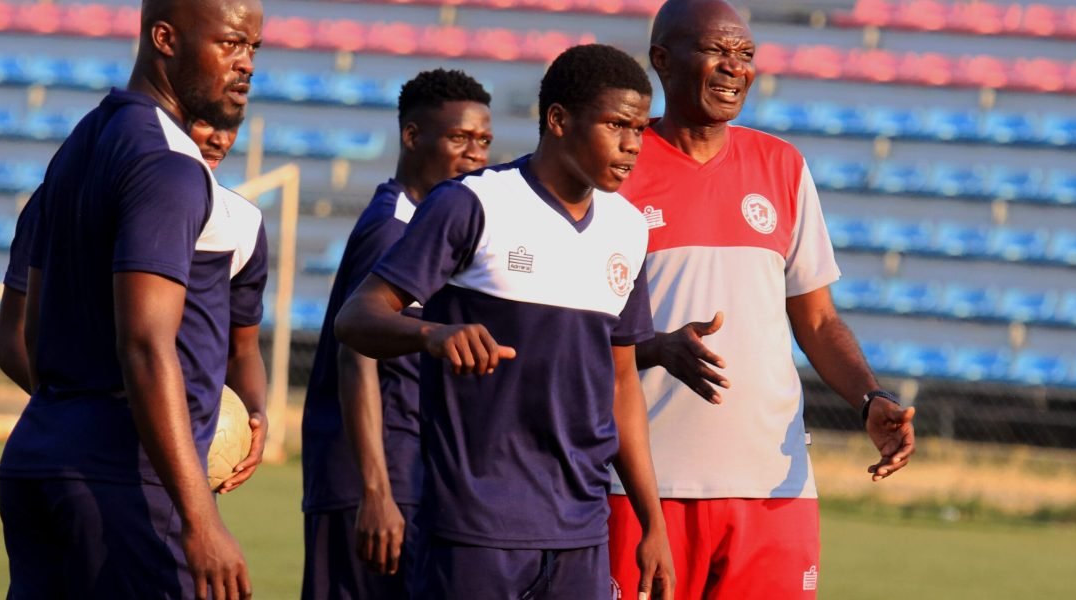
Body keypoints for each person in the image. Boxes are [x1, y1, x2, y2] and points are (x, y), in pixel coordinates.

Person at [335, 44, 675, 600]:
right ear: (558, 120)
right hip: (474, 527)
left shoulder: (629, 230)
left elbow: (621, 382)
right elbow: (357, 317)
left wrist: (651, 522)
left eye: (639, 128)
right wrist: (433, 334)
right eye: (617, 125)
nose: (632, 145)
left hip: (582, 531)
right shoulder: (473, 204)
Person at [605, 2, 918, 598]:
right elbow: (573, 329)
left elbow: (818, 319)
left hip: (775, 489)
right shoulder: (618, 167)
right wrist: (650, 348)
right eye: (716, 51)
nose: (734, 68)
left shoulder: (782, 165)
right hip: (642, 489)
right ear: (662, 60)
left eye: (745, 55)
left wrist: (868, 397)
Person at [0, 0, 264, 597]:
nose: (245, 65)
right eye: (229, 44)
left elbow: (34, 334)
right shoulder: (168, 165)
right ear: (164, 37)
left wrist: (75, 421)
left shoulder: (80, 144)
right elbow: (144, 344)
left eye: (253, 49)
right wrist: (200, 521)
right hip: (126, 480)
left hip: (39, 456)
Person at [0, 119, 269, 496]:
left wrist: (253, 416)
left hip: (177, 477)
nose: (220, 139)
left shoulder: (242, 224)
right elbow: (13, 338)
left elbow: (243, 351)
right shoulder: (66, 197)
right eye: (207, 122)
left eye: (233, 124)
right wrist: (87, 415)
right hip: (73, 461)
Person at [299, 68, 493, 599]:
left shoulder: (430, 226)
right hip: (374, 482)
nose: (476, 153)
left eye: (484, 140)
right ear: (412, 136)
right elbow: (354, 356)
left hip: (404, 472)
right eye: (459, 138)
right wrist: (376, 492)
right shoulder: (393, 228)